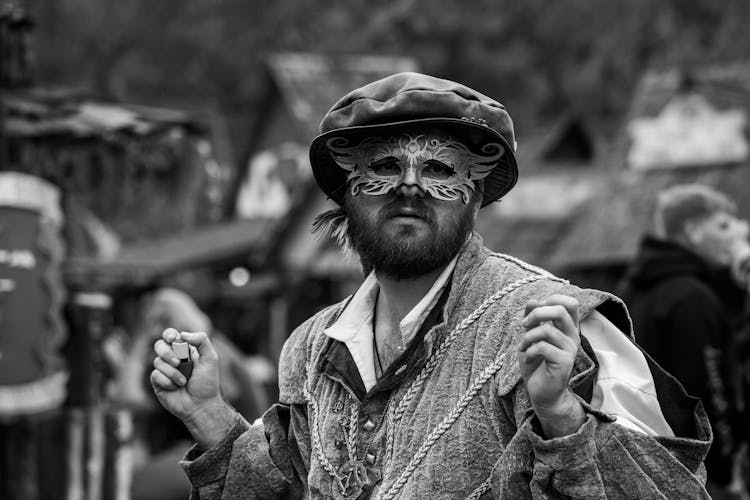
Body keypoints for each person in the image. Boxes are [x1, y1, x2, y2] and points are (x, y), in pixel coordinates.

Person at [151, 72, 712, 498]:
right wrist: (209, 417)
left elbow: (675, 488)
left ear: (474, 195)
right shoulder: (312, 346)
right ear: (348, 193)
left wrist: (563, 416)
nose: (410, 188)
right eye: (385, 168)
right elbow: (286, 487)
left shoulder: (554, 321)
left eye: (440, 170)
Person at [620, 184, 750, 495]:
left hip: (642, 461)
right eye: (722, 225)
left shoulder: (632, 289)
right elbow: (709, 388)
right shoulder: (692, 297)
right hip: (698, 471)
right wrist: (725, 463)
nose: (734, 235)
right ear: (693, 231)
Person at [104, 287, 272, 500]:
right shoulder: (214, 345)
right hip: (236, 450)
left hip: (226, 453)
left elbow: (126, 398)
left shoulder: (191, 355)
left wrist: (139, 338)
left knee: (128, 487)